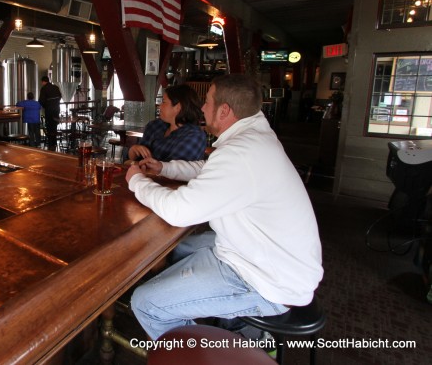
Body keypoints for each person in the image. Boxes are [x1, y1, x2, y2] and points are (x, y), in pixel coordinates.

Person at [125, 74, 323, 340]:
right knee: (174, 247)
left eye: (207, 102)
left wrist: (136, 181)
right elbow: (208, 169)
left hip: (266, 280)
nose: (203, 108)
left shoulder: (241, 151)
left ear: (225, 110)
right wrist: (164, 168)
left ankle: (211, 351)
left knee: (145, 303)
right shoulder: (254, 138)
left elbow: (179, 211)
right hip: (260, 254)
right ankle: (208, 320)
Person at [127, 84, 206, 162]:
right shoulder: (154, 126)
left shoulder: (194, 136)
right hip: (141, 174)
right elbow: (136, 158)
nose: (159, 106)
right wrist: (133, 151)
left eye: (164, 102)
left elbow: (175, 170)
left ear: (178, 107)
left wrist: (148, 163)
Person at [39, 76, 61, 150]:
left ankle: (50, 143)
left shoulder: (44, 88)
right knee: (54, 126)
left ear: (43, 81)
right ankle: (54, 142)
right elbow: (60, 96)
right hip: (56, 109)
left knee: (49, 126)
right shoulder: (55, 87)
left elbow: (41, 101)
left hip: (49, 110)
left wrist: (46, 106)